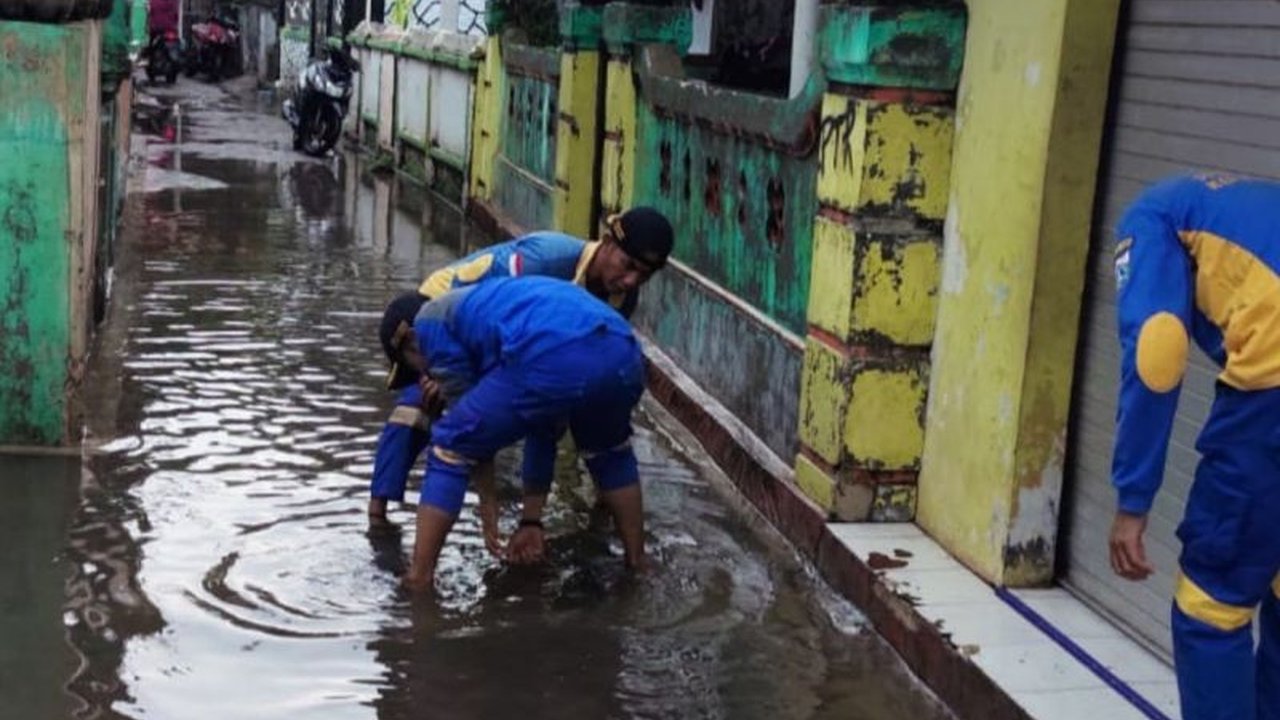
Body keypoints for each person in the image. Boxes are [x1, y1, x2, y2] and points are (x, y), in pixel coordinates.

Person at [368, 208, 674, 540]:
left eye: (643, 276)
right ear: (607, 242)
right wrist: (440, 372)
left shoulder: (622, 296)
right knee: (420, 407)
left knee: (550, 409)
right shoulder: (546, 259)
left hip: (525, 344)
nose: (631, 281)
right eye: (628, 266)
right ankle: (378, 516)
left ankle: (552, 519)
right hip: (441, 313)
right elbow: (491, 313)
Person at [1107, 172, 1280, 720]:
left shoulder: (1148, 220)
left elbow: (1156, 350)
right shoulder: (1236, 206)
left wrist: (1132, 504)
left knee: (1213, 603)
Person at [388, 276, 648, 590]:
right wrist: (530, 521)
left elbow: (471, 440)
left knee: (449, 447)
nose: (425, 376)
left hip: (552, 351)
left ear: (410, 341)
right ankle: (637, 563)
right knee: (610, 454)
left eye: (416, 368)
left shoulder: (430, 323)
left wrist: (488, 511)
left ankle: (419, 578)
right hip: (624, 350)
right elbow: (542, 426)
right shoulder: (493, 308)